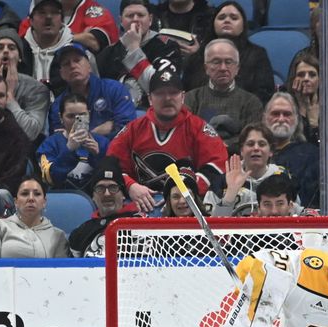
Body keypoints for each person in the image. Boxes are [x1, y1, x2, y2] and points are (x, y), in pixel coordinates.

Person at [107, 67, 228, 214]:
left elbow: (216, 166)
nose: (167, 98)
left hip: (185, 206)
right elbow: (110, 166)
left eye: (173, 93)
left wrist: (181, 192)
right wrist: (130, 186)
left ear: (182, 97)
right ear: (150, 99)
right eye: (160, 94)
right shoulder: (133, 130)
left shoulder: (199, 129)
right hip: (141, 205)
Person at [182, 1, 274, 103]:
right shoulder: (198, 56)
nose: (227, 20)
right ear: (213, 24)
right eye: (221, 17)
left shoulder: (257, 54)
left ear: (243, 25)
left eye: (234, 18)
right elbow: (186, 92)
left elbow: (264, 93)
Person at [96, 0, 182, 110]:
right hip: (116, 115)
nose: (135, 19)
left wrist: (134, 50)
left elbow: (165, 89)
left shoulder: (167, 47)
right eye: (130, 16)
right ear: (121, 21)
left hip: (155, 113)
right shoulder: (107, 54)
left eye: (140, 15)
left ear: (150, 20)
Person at [184, 38, 263, 153]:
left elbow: (251, 139)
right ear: (206, 68)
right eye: (216, 62)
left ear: (237, 68)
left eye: (229, 62)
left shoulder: (251, 102)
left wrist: (223, 145)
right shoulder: (190, 98)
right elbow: (186, 135)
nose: (223, 68)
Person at [48, 43, 136, 139]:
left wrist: (80, 137)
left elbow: (128, 128)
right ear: (62, 74)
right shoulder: (57, 106)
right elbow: (57, 142)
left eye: (77, 60)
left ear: (89, 66)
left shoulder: (114, 89)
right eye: (66, 63)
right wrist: (95, 133)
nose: (72, 66)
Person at [0, 27, 51, 143]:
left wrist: (9, 95)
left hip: (23, 154)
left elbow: (29, 133)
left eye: (11, 48)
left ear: (20, 57)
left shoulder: (37, 89)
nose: (5, 51)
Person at [0, 175, 70, 258]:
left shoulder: (58, 236)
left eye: (37, 194)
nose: (31, 198)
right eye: (25, 194)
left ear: (44, 202)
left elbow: (62, 273)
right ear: (16, 202)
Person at [209, 123, 288, 217]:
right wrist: (230, 195)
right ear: (241, 150)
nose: (256, 148)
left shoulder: (284, 178)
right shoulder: (221, 182)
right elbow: (210, 227)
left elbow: (298, 217)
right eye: (250, 144)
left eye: (262, 144)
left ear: (271, 151)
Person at [68, 157, 142, 257]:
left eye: (113, 188)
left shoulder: (141, 224)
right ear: (93, 196)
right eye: (100, 188)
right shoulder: (80, 233)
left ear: (123, 194)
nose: (107, 194)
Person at [37, 94, 111, 190]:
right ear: (61, 118)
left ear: (89, 115)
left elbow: (111, 179)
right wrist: (68, 150)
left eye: (82, 115)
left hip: (96, 199)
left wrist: (97, 156)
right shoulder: (49, 145)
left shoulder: (103, 143)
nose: (76, 121)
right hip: (62, 199)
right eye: (71, 116)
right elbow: (49, 179)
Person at [262, 91, 320, 209]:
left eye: (287, 114)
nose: (281, 119)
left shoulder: (311, 155)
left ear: (296, 119)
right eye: (275, 114)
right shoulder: (253, 152)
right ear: (264, 117)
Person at [18, 0, 118, 54]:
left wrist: (51, 39)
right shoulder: (36, 16)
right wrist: (80, 37)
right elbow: (23, 45)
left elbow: (95, 43)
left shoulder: (94, 11)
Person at [21, 0, 75, 84]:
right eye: (42, 12)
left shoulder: (76, 52)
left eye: (54, 12)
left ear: (62, 21)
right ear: (31, 21)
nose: (49, 17)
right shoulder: (18, 52)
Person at [287, 53, 322, 144]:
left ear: (320, 80)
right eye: (301, 75)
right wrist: (302, 107)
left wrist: (314, 124)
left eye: (312, 74)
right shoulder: (285, 108)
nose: (306, 79)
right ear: (293, 79)